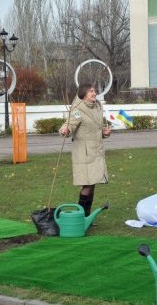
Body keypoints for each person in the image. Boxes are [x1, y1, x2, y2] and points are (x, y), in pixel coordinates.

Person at [59, 84, 111, 216]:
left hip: (96, 152)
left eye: (94, 90)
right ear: (83, 95)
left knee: (92, 183)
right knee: (87, 184)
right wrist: (66, 130)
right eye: (91, 91)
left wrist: (105, 133)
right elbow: (70, 123)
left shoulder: (97, 107)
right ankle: (80, 216)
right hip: (84, 153)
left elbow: (95, 129)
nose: (94, 93)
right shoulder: (78, 109)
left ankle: (85, 216)